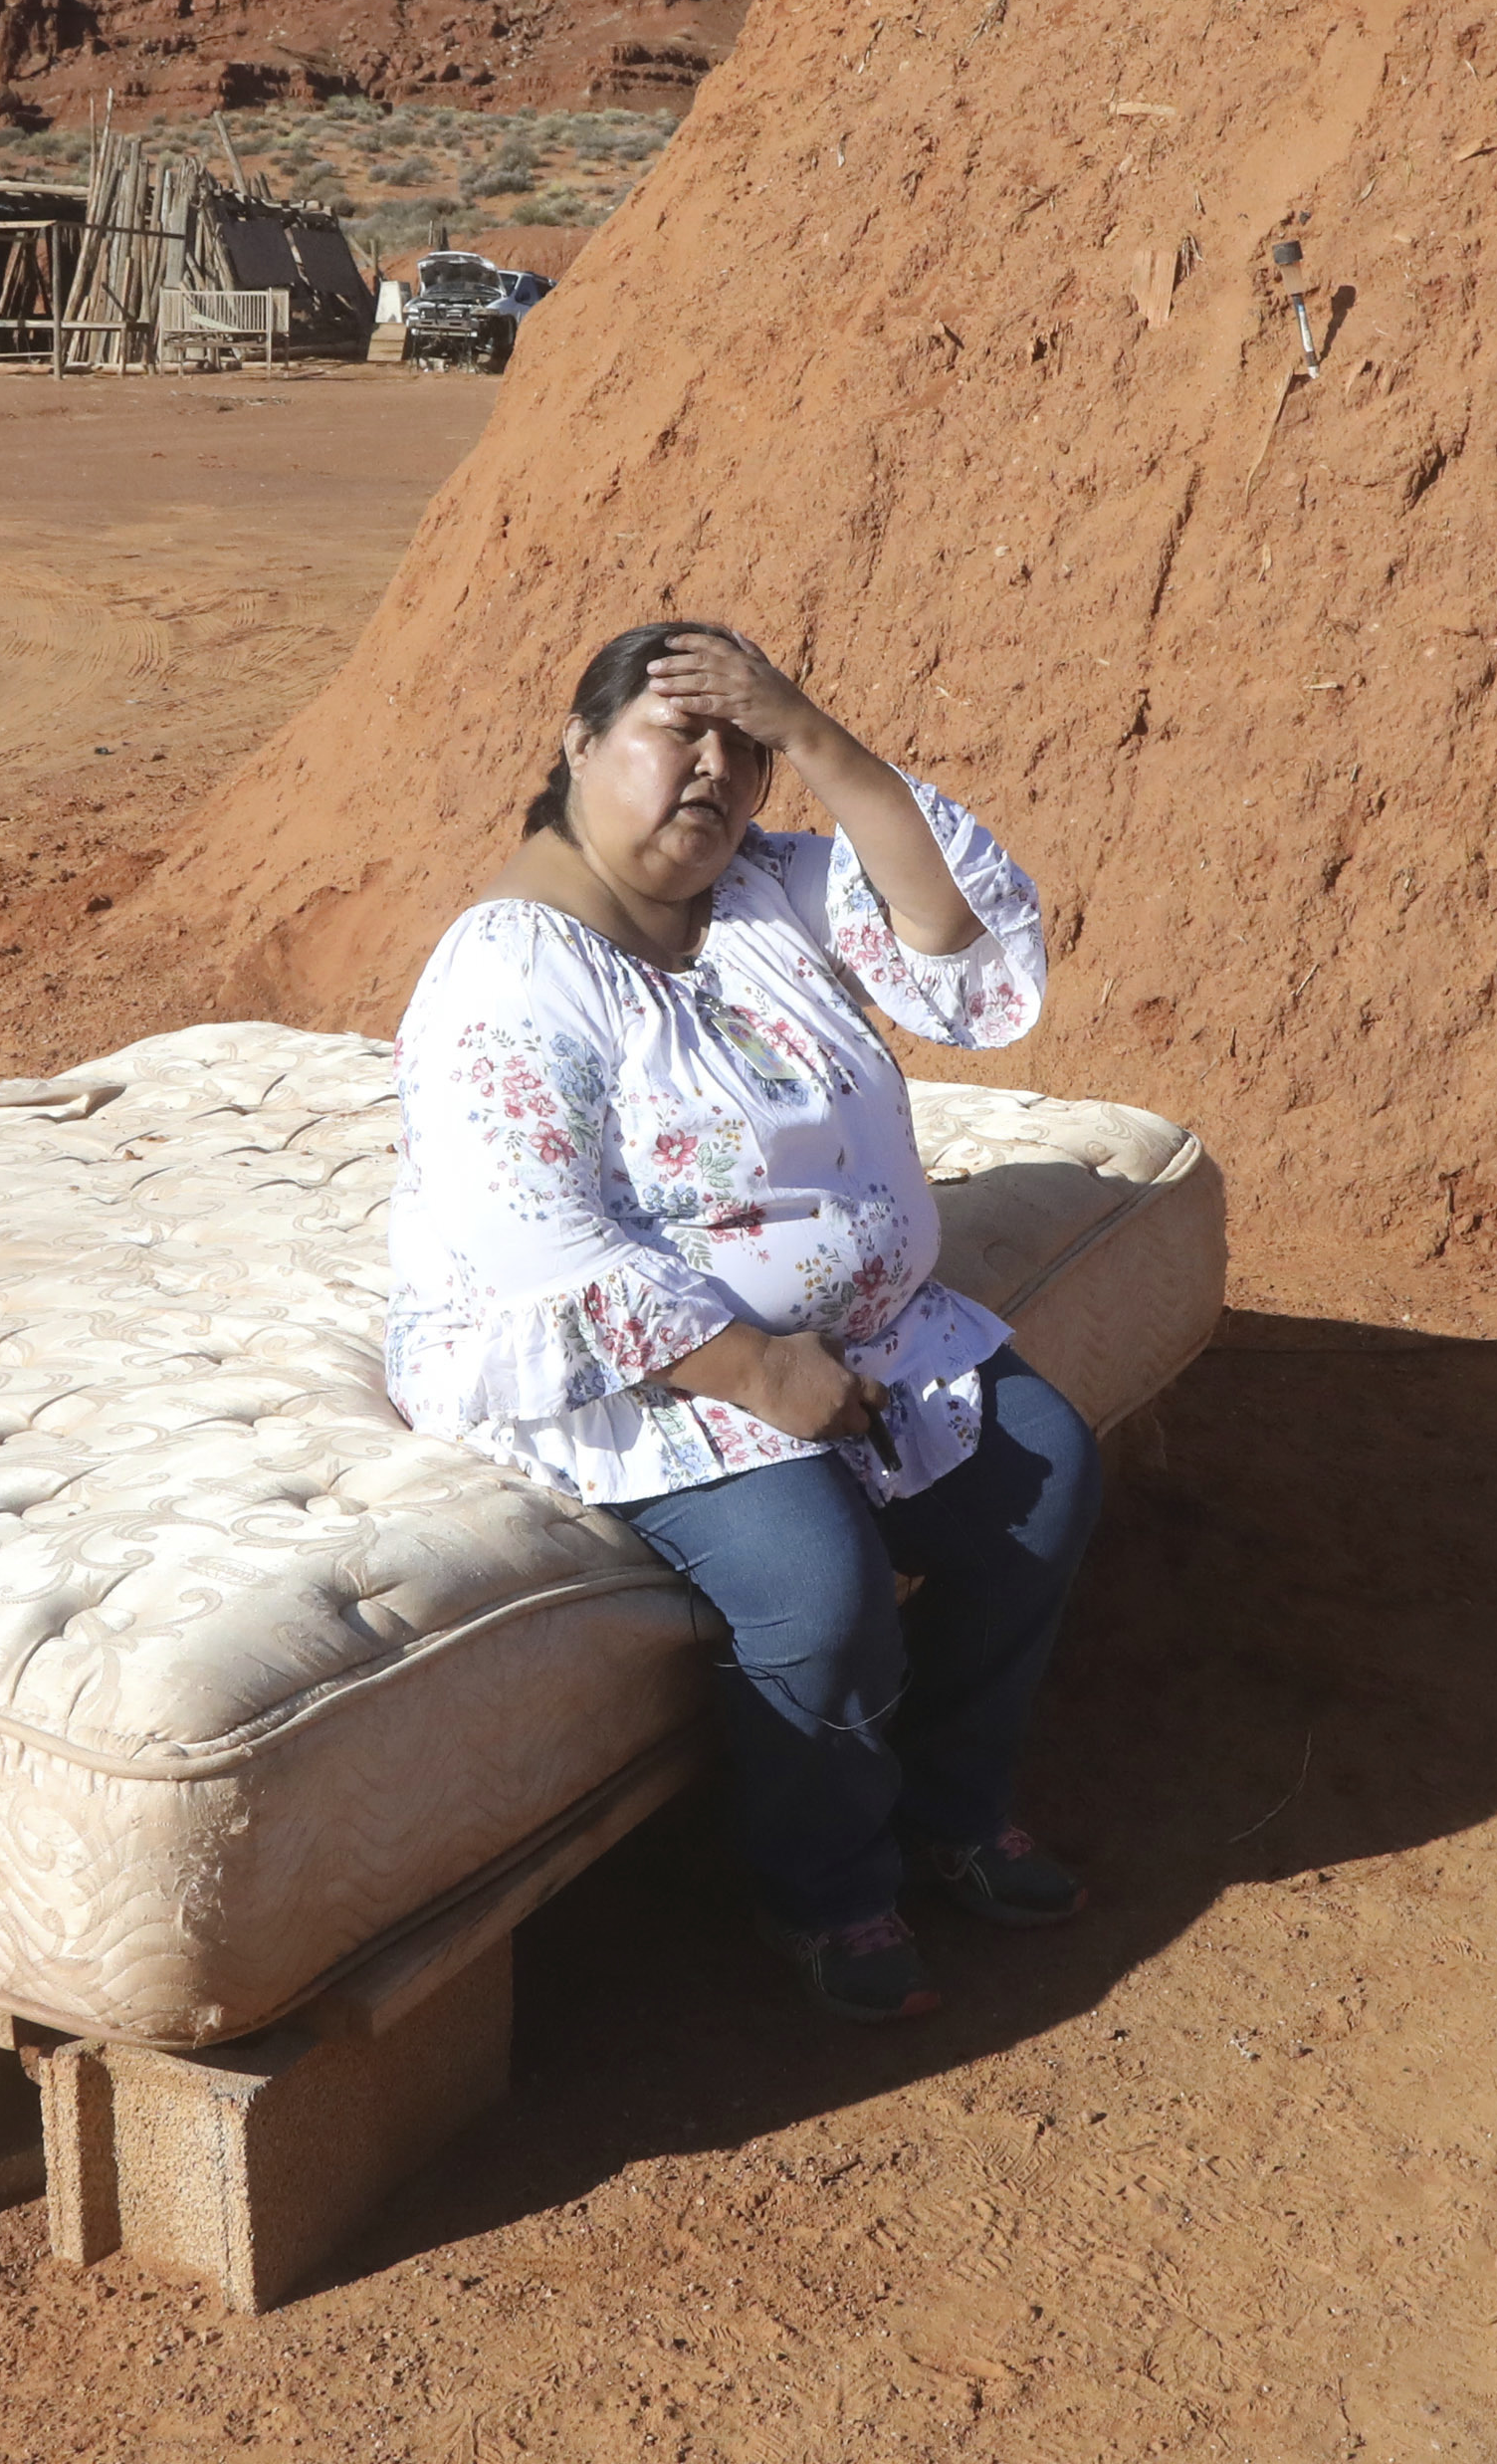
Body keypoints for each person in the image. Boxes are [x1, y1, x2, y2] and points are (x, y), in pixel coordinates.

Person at [381, 619, 1100, 2021]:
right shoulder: (508, 972)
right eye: (673, 735)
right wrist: (761, 1366)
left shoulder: (772, 891)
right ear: (580, 749)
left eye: (743, 749)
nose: (711, 773)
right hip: (635, 1367)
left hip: (854, 1341)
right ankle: (824, 1885)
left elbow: (951, 938)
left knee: (1046, 1473)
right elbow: (537, 1237)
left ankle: (950, 1805)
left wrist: (820, 736)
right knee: (821, 1596)